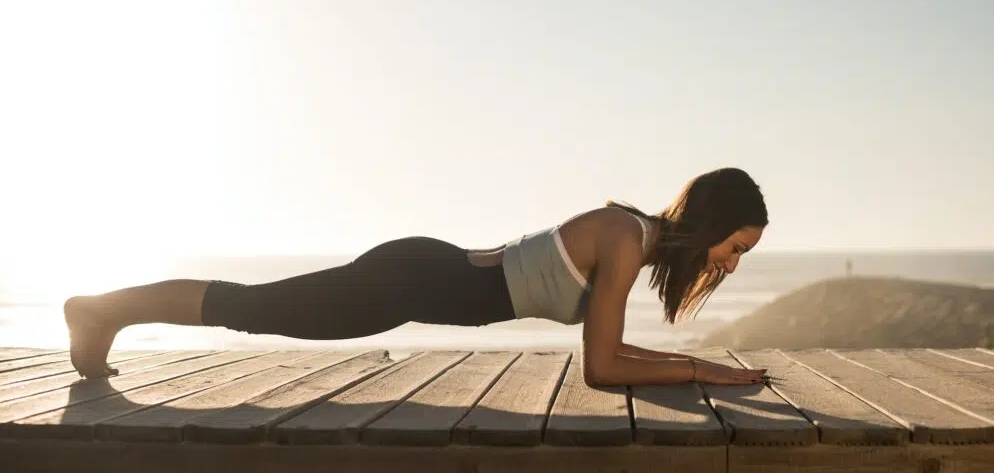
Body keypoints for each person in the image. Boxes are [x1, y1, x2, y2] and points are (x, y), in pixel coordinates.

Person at [64, 167, 769, 386]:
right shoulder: (625, 237)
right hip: (406, 280)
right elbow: (603, 370)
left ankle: (105, 312)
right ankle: (102, 310)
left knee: (257, 308)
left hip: (415, 278)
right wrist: (704, 374)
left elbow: (613, 353)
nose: (731, 265)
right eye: (734, 247)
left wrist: (695, 366)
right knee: (253, 308)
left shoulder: (635, 242)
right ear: (712, 225)